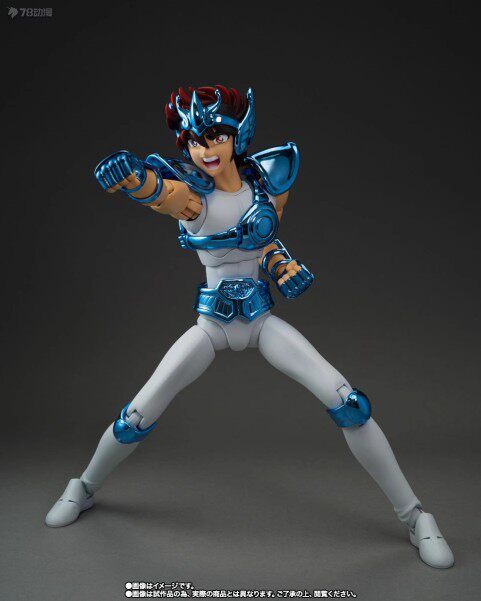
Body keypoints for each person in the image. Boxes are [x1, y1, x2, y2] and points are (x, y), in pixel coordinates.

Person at [45, 85, 454, 569]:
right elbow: (162, 193)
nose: (205, 149)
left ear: (238, 135)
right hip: (212, 326)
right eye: (194, 141)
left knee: (348, 403)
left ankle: (415, 515)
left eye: (215, 136)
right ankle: (84, 486)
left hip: (260, 320)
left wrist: (282, 265)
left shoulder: (268, 180)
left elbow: (263, 240)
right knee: (139, 413)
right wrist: (132, 176)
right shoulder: (194, 198)